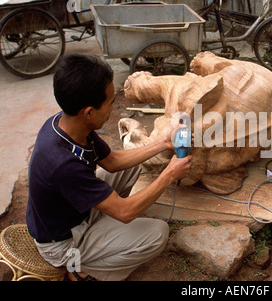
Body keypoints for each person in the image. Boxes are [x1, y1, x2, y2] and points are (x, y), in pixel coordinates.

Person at [26, 54, 192, 281]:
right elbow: (125, 213)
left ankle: (104, 227)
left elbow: (112, 161)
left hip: (74, 213)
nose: (113, 109)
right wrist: (169, 175)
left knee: (131, 167)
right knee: (157, 233)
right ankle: (80, 268)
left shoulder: (65, 122)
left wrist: (163, 143)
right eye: (110, 103)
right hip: (64, 241)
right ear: (88, 112)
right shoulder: (62, 164)